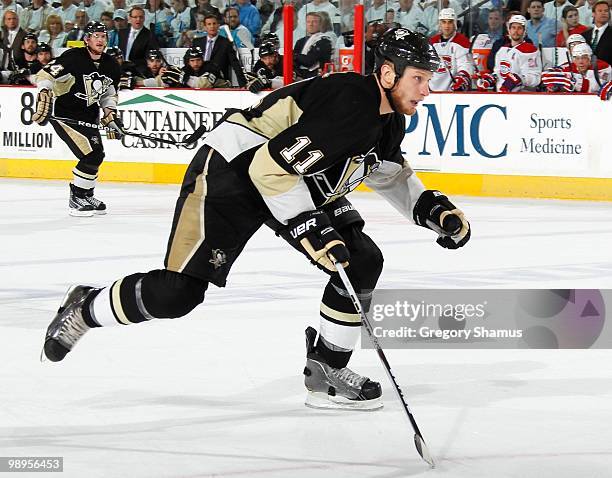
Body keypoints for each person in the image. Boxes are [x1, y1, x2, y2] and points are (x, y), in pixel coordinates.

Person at [40, 27, 471, 411]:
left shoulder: (389, 118)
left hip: (286, 175)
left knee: (359, 260)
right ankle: (86, 307)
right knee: (177, 294)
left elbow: (387, 171)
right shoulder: (349, 105)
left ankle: (326, 371)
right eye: (419, 78)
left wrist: (432, 211)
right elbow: (267, 168)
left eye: (429, 80)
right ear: (389, 74)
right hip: (232, 172)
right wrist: (308, 227)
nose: (426, 90)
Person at [31, 21, 121, 216]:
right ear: (86, 39)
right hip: (65, 115)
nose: (100, 40)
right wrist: (45, 93)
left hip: (89, 116)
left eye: (103, 36)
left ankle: (86, 194)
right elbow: (44, 74)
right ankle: (76, 197)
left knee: (97, 154)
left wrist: (111, 114)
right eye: (95, 36)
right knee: (91, 154)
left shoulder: (111, 64)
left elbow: (108, 93)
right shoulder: (72, 57)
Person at [478, 14, 541, 92]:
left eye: (519, 28)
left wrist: (520, 79)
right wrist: (491, 78)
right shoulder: (502, 50)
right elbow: (498, 72)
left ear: (525, 31)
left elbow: (535, 78)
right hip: (500, 95)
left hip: (522, 96)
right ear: (509, 29)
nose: (516, 31)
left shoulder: (529, 50)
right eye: (513, 28)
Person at [192, 13, 246, 87]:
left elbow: (235, 64)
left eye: (214, 24)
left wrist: (243, 85)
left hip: (219, 79)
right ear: (205, 27)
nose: (212, 26)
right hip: (199, 77)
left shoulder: (226, 43)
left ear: (218, 25)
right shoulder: (197, 42)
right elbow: (190, 60)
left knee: (203, 83)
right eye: (209, 24)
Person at [429, 8, 473, 92]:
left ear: (455, 23)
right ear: (440, 24)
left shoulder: (462, 41)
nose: (447, 26)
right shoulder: (432, 42)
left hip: (452, 92)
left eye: (450, 22)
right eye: (444, 22)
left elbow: (465, 64)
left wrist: (462, 77)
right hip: (431, 91)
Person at [541, 42, 611, 92]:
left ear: (590, 58)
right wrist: (554, 87)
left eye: (584, 58)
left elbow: (598, 87)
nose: (580, 62)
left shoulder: (602, 67)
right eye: (577, 58)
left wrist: (575, 82)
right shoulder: (567, 67)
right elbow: (551, 76)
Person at [118, 5, 159, 71]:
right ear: (130, 18)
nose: (138, 19)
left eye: (141, 17)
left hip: (138, 71)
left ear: (144, 18)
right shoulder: (122, 33)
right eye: (135, 17)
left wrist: (131, 64)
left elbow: (148, 58)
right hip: (121, 69)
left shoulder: (149, 35)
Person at [293, 11, 332, 79]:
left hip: (317, 78)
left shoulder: (324, 41)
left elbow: (309, 61)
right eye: (308, 22)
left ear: (320, 24)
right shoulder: (300, 41)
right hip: (299, 76)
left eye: (314, 22)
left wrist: (294, 55)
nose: (311, 24)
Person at [580, 0, 612, 65]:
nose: (604, 13)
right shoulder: (584, 35)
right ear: (593, 14)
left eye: (606, 11)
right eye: (600, 11)